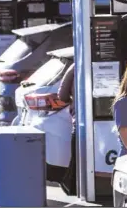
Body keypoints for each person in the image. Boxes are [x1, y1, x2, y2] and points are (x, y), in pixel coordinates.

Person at [57, 63, 76, 195]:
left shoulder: (75, 67)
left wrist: (74, 101)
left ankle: (71, 185)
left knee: (77, 155)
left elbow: (62, 95)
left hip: (79, 119)